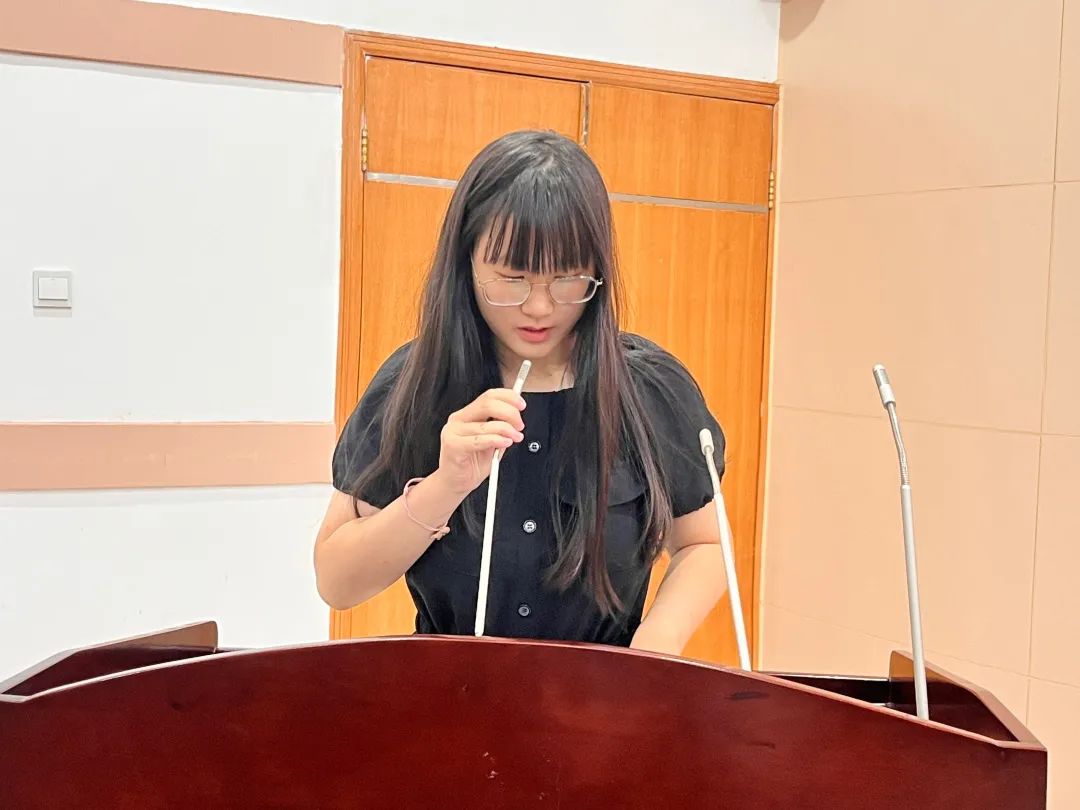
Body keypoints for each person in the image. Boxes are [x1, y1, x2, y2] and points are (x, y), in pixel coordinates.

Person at [314, 130, 727, 656]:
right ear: (467, 262)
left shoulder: (651, 390)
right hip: (451, 693)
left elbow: (703, 543)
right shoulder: (413, 386)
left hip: (605, 698)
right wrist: (445, 486)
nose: (539, 307)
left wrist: (651, 653)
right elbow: (337, 582)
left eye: (568, 278)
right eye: (512, 278)